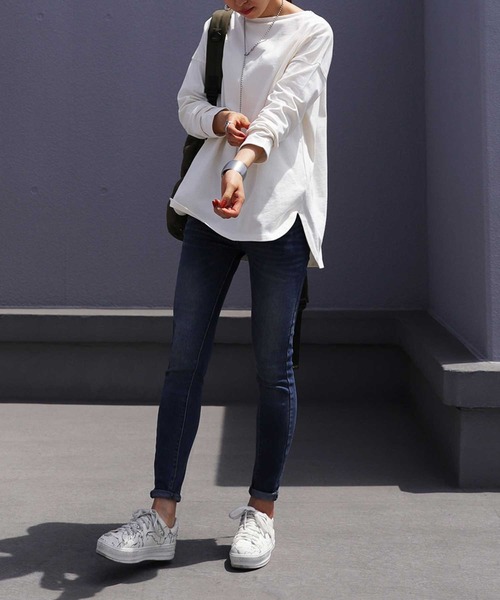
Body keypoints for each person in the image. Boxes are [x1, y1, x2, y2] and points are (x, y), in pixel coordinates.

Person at [96, 0, 333, 570]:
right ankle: (161, 517)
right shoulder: (220, 27)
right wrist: (220, 121)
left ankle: (261, 511)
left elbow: (282, 110)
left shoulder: (312, 32)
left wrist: (240, 164)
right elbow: (188, 104)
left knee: (274, 369)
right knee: (183, 363)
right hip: (211, 211)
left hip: (279, 215)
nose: (234, 2)